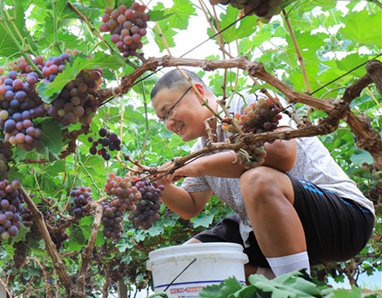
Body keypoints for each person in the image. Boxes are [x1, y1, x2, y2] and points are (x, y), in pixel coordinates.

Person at [150, 67, 374, 279]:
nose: (169, 123)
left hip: (344, 218)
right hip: (272, 232)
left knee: (257, 178)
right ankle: (275, 280)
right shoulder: (200, 151)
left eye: (169, 111)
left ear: (198, 92)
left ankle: (295, 291)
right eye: (162, 119)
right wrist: (160, 185)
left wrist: (198, 165)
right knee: (187, 258)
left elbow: (283, 154)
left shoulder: (247, 102)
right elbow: (190, 207)